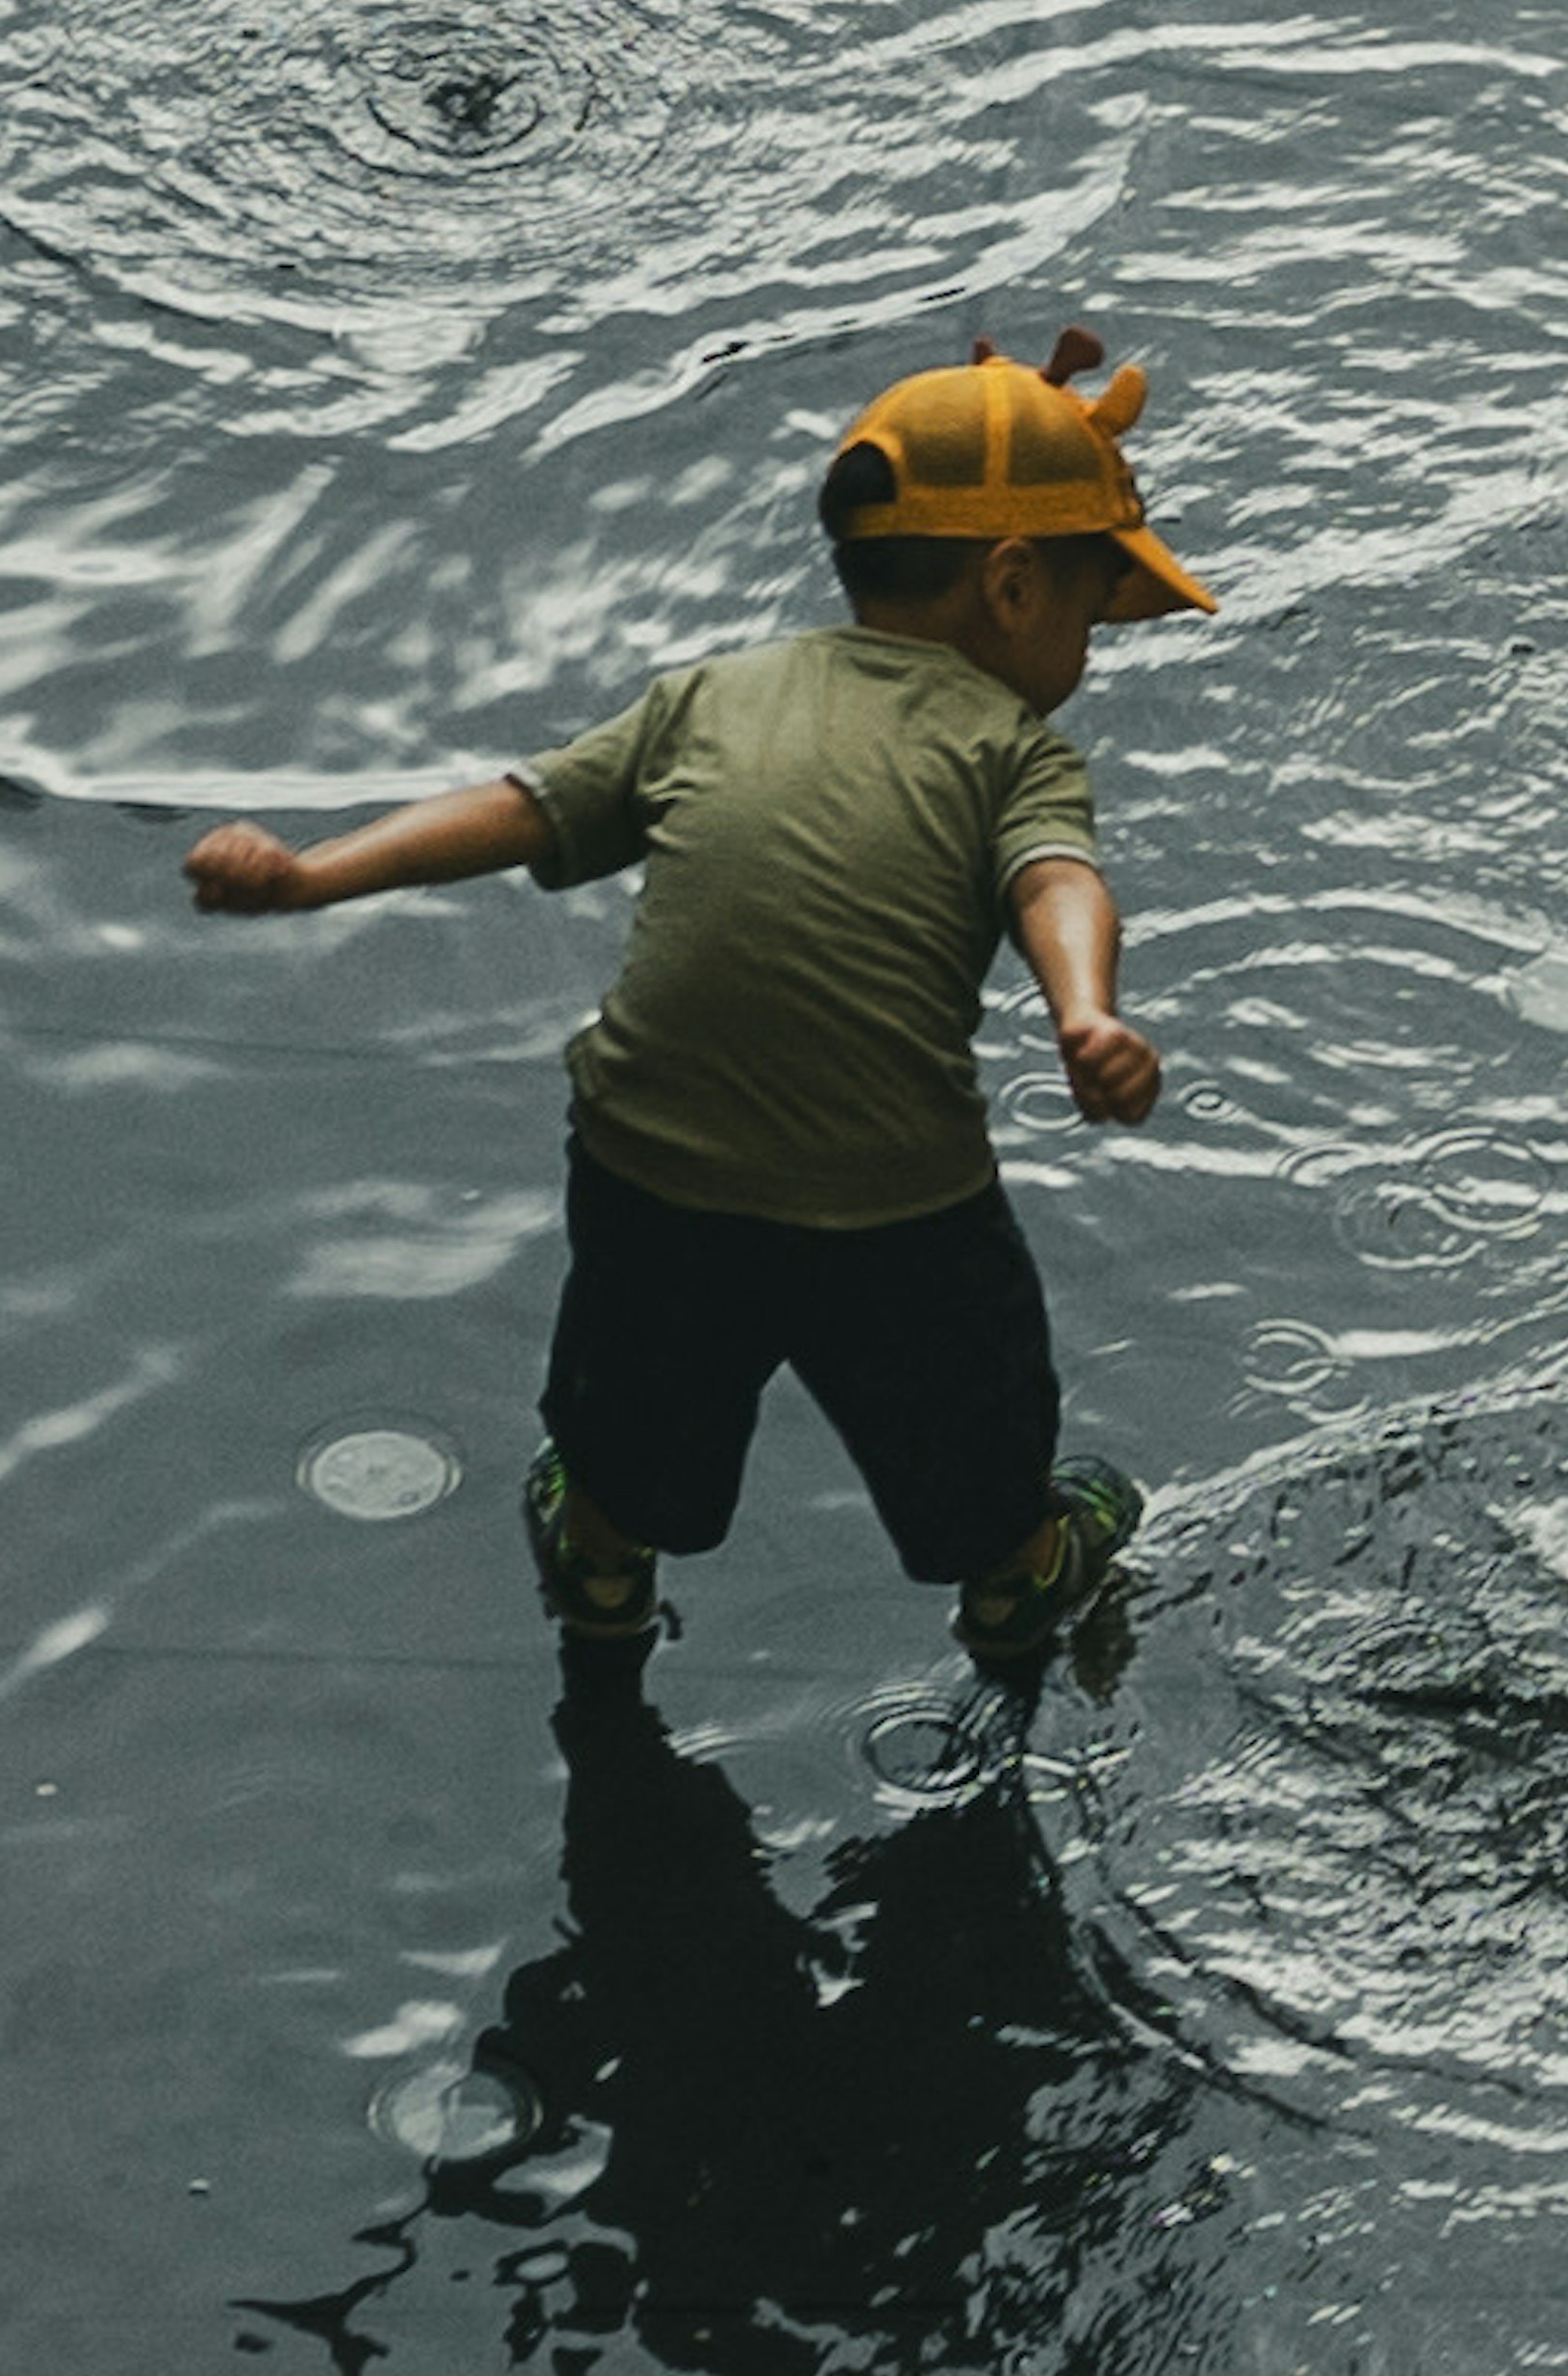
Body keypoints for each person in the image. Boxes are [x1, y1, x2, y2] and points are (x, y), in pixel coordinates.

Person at [184, 322, 1209, 1671]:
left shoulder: (712, 697)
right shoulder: (1010, 748)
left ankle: (602, 1568)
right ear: (1014, 587)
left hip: (653, 1171)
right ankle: (1019, 1578)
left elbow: (519, 808)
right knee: (972, 1433)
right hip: (894, 1199)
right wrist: (1085, 1010)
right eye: (1091, 604)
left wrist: (316, 875)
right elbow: (1056, 882)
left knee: (629, 1424)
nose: (1091, 641)